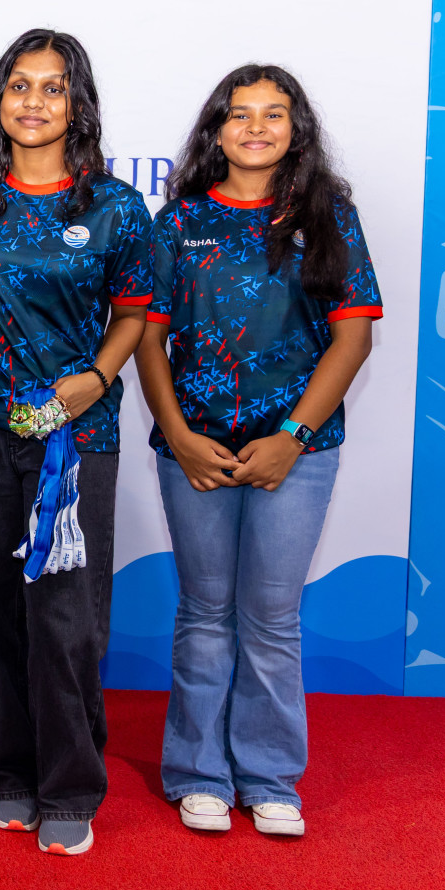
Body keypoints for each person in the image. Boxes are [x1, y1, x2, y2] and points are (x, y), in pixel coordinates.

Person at [134, 65, 380, 838]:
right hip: (195, 450)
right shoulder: (178, 222)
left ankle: (270, 777)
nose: (256, 128)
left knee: (272, 618)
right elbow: (146, 338)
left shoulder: (329, 217)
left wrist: (291, 439)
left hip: (296, 454)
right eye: (239, 114)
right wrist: (179, 436)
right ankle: (199, 773)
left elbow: (353, 339)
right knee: (204, 613)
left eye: (274, 114)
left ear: (296, 129)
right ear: (217, 129)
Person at [0, 29, 151, 856]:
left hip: (75, 435)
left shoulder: (115, 207)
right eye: (20, 85)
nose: (34, 101)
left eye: (54, 87)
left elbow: (134, 312)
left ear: (78, 104)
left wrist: (94, 379)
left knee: (66, 616)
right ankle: (12, 772)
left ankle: (70, 785)